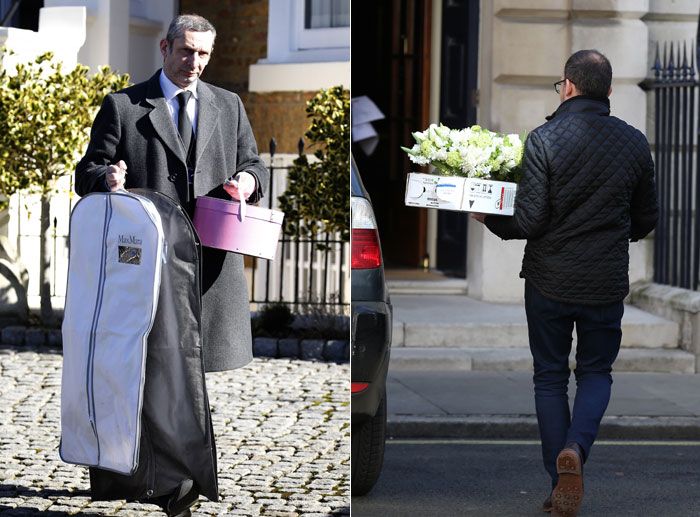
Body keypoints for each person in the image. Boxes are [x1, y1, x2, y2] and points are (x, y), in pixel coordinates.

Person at [75, 13, 269, 516]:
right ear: (164, 47)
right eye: (186, 52)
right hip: (145, 266)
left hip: (207, 267)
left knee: (190, 372)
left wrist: (247, 183)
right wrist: (108, 176)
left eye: (204, 54)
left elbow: (253, 163)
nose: (195, 63)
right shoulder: (123, 106)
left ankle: (180, 478)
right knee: (147, 368)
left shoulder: (228, 105)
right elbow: (88, 171)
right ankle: (161, 480)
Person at [472, 50, 658, 516]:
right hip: (604, 283)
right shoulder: (635, 143)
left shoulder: (545, 139)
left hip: (549, 282)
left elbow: (531, 220)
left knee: (550, 378)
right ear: (609, 92)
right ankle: (576, 447)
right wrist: (619, 232)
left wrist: (489, 217)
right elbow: (646, 218)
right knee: (596, 373)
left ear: (568, 86)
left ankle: (560, 482)